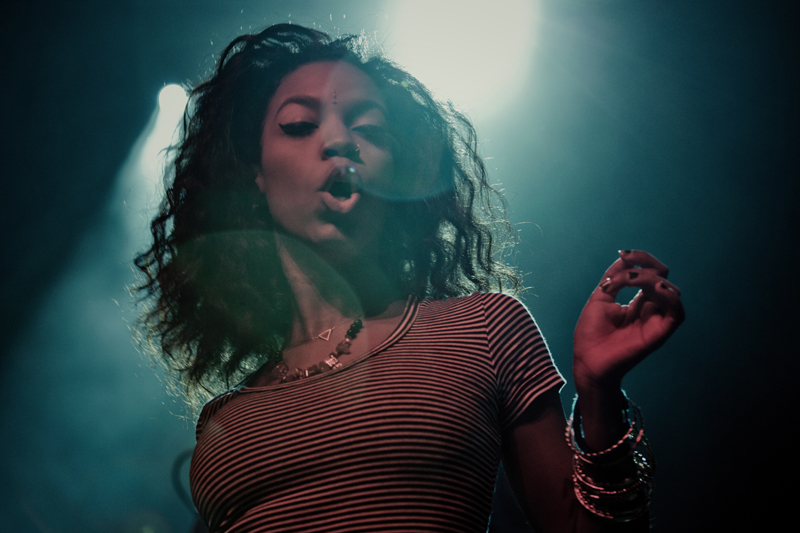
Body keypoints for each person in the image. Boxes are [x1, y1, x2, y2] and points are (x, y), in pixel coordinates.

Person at [135, 24, 684, 532]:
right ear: (254, 174)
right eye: (300, 125)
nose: (340, 140)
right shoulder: (223, 422)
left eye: (369, 129)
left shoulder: (482, 330)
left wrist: (598, 393)